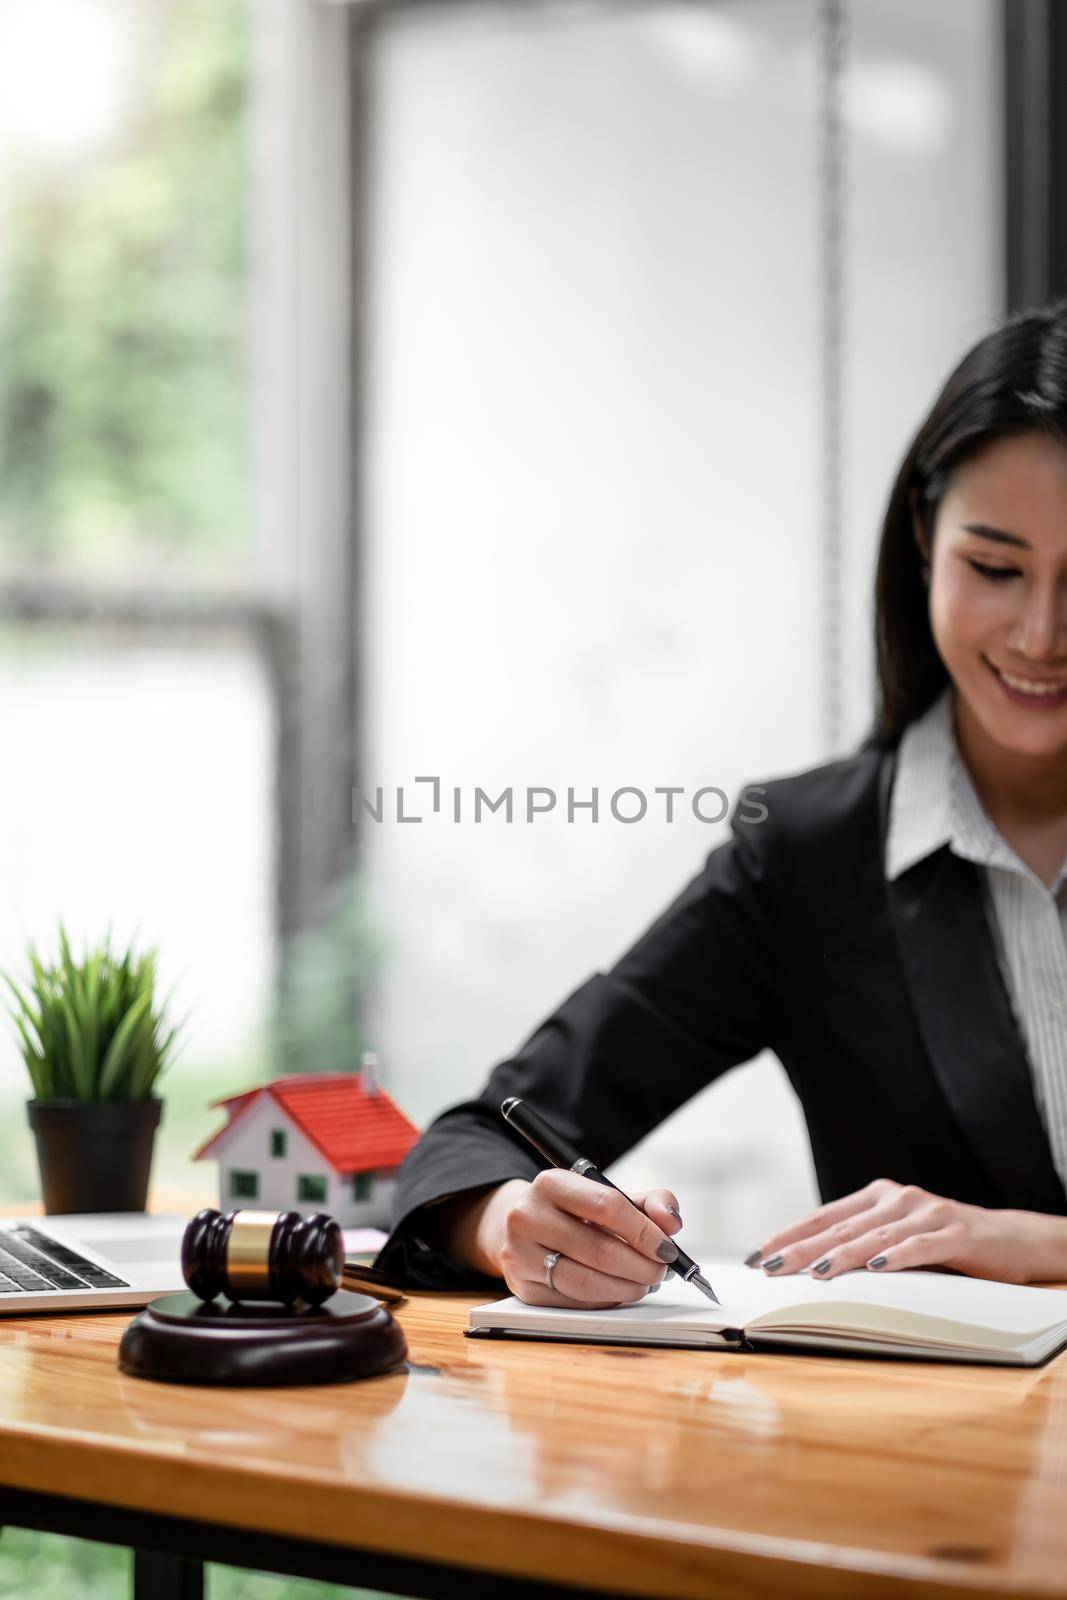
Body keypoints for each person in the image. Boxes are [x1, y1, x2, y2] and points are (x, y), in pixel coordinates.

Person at [374, 299, 1067, 1306]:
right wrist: (508, 1226)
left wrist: (1033, 1243)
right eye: (993, 568)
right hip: (935, 1456)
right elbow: (478, 1136)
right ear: (922, 536)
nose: (1040, 632)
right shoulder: (806, 858)